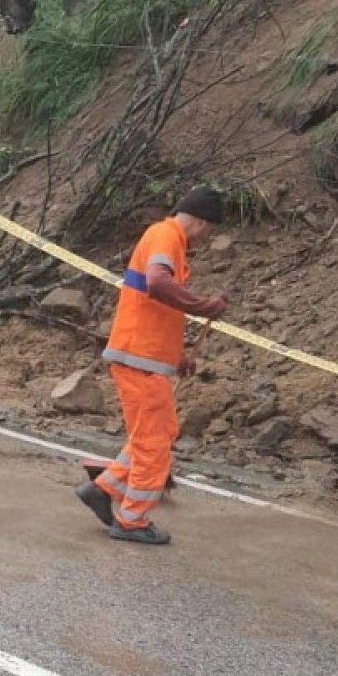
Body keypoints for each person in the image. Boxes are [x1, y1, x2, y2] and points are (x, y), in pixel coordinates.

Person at [76, 186, 228, 547]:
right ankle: (131, 522)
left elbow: (155, 305)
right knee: (153, 444)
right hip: (138, 359)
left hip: (144, 358)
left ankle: (103, 489)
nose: (208, 238)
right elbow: (159, 284)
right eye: (210, 229)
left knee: (160, 433)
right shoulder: (165, 235)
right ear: (202, 222)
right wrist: (204, 306)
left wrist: (176, 355)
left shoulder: (165, 237)